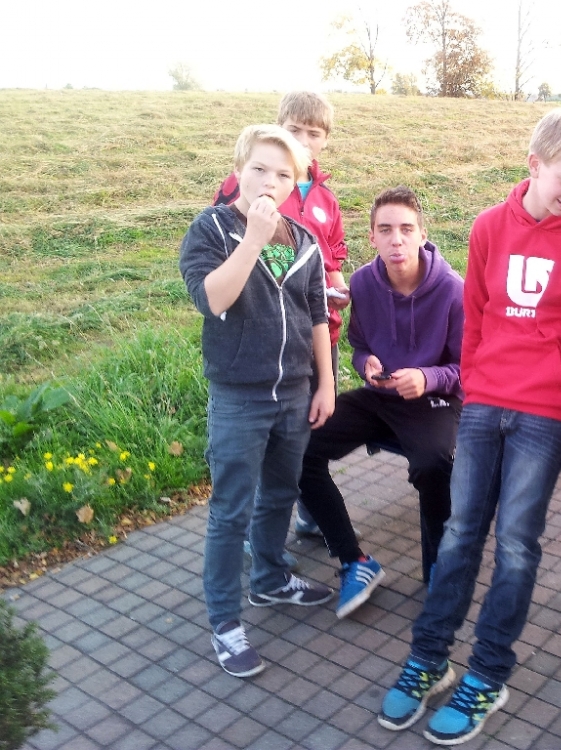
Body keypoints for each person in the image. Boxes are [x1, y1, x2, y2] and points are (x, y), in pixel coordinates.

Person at [377, 108, 561, 745]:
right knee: (460, 533)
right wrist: (475, 390)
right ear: (534, 165)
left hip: (548, 413)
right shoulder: (488, 226)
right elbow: (478, 317)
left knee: (515, 543)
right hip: (485, 405)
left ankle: (488, 673)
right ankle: (430, 657)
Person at [180, 125, 337, 678]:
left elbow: (317, 314)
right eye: (259, 169)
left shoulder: (304, 239)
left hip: (295, 393)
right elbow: (211, 300)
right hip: (239, 397)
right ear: (238, 171)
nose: (270, 181)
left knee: (280, 494)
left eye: (283, 174)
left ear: (296, 184)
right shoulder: (211, 229)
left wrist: (326, 383)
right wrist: (252, 239)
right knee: (231, 511)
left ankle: (270, 579)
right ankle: (225, 622)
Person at [297, 186, 465, 617]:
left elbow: (470, 369)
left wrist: (426, 378)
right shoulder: (362, 283)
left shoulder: (452, 290)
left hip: (435, 400)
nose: (397, 240)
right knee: (299, 448)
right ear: (371, 236)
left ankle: (440, 566)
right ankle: (354, 561)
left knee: (433, 464)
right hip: (380, 396)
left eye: (406, 229)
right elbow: (359, 345)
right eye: (386, 230)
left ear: (422, 234)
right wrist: (365, 364)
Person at [213, 91, 349, 541]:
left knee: (310, 425)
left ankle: (309, 509)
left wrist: (338, 287)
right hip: (263, 337)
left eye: (314, 133)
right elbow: (224, 248)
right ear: (278, 130)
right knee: (266, 438)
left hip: (319, 330)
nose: (305, 141)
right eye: (294, 130)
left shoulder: (325, 197)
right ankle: (259, 534)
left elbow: (331, 257)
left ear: (326, 140)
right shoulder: (254, 184)